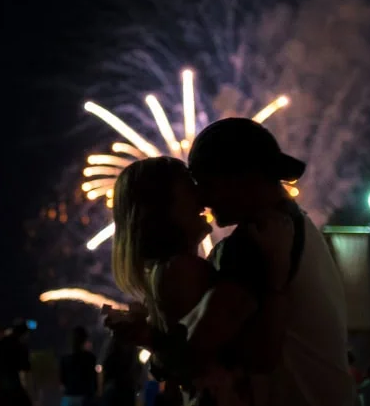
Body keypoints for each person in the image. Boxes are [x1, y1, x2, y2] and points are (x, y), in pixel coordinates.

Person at [107, 118, 354, 405]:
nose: (202, 199)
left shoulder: (254, 244)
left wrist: (154, 345)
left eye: (205, 183)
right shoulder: (298, 226)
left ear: (240, 179)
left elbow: (207, 352)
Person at [107, 155, 292, 405]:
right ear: (164, 209)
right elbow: (259, 354)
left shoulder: (164, 272)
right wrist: (276, 278)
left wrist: (152, 340)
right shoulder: (183, 270)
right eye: (189, 188)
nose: (202, 199)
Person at [59, 326, 97, 406]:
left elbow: (62, 381)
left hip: (69, 397)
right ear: (85, 340)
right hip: (85, 398)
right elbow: (93, 380)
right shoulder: (90, 358)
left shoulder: (65, 359)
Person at [0, 321, 32, 406]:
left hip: (2, 380)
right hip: (14, 380)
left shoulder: (2, 342)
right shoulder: (20, 345)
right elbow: (25, 366)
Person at [99, 336, 141, 406]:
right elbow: (137, 368)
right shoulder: (132, 346)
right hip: (128, 387)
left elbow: (105, 365)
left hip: (113, 386)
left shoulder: (111, 343)